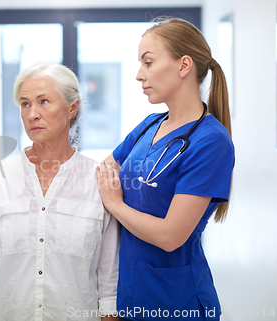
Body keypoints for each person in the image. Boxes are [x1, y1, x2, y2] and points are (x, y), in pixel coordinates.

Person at [0, 63, 121, 321]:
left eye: (43, 101)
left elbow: (110, 289)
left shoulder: (97, 182)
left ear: (71, 107)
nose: (32, 113)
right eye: (25, 104)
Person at [95, 18, 234, 320]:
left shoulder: (211, 142)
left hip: (176, 302)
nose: (138, 75)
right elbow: (99, 175)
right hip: (130, 295)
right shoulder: (150, 125)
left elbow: (171, 236)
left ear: (184, 65)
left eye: (148, 62)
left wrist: (115, 205)